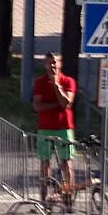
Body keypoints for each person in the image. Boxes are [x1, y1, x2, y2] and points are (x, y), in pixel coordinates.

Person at [32, 51, 79, 202]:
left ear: (60, 63)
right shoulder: (40, 82)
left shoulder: (68, 81)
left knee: (67, 162)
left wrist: (57, 86)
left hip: (65, 127)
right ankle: (45, 194)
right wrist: (57, 105)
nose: (52, 65)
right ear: (45, 64)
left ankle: (69, 195)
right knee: (45, 162)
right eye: (49, 62)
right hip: (45, 127)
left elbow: (67, 104)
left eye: (55, 62)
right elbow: (38, 106)